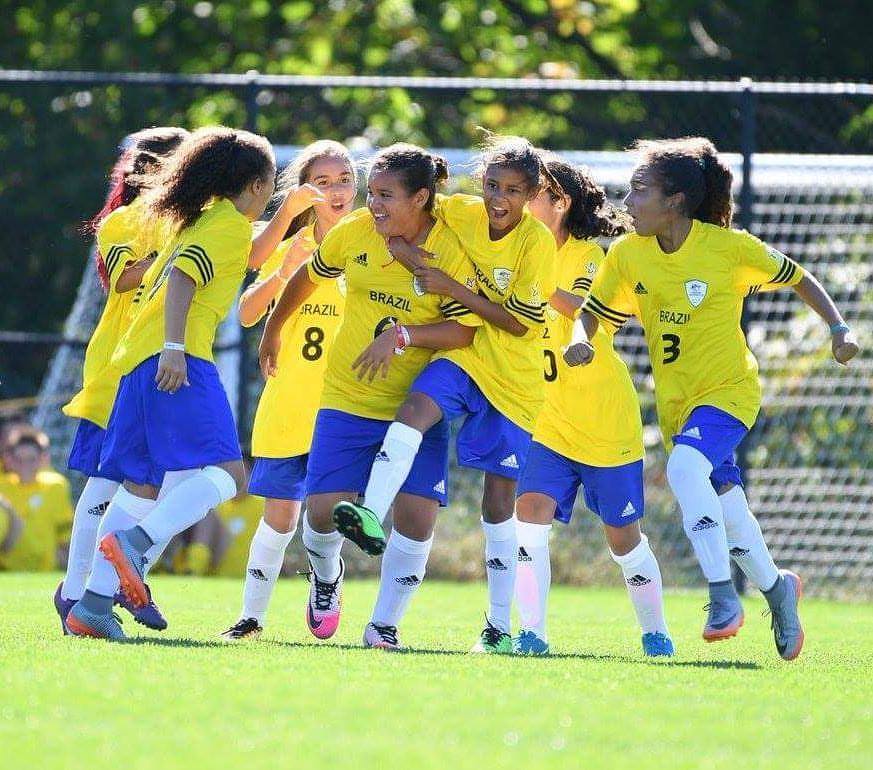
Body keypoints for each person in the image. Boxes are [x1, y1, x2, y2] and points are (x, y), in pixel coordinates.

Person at [565, 136, 860, 661]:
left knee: (682, 471)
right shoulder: (629, 255)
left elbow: (799, 277)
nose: (628, 202)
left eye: (639, 191)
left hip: (730, 394)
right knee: (729, 511)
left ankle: (722, 596)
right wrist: (580, 339)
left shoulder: (728, 248)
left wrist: (838, 328)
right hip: (677, 405)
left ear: (674, 201)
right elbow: (594, 310)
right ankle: (777, 589)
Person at [331, 134, 557, 653]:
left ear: (532, 194)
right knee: (413, 409)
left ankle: (500, 626)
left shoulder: (535, 244)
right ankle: (371, 510)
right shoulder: (460, 212)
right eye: (492, 185)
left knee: (499, 502)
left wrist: (451, 288)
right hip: (463, 357)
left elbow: (518, 326)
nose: (499, 199)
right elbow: (405, 218)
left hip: (514, 380)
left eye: (514, 191)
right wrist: (406, 253)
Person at [258, 143, 479, 649]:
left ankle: (383, 625)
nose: (372, 205)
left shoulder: (452, 250)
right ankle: (326, 579)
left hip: (415, 407)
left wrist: (404, 335)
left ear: (421, 198)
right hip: (347, 399)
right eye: (371, 193)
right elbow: (306, 277)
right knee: (319, 516)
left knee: (418, 518)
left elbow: (465, 331)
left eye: (385, 195)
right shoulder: (355, 233)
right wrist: (274, 330)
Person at [65, 126, 276, 639]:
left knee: (140, 485)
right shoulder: (225, 225)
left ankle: (90, 606)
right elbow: (183, 278)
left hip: (136, 360)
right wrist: (177, 349)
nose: (271, 195)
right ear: (252, 185)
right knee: (231, 475)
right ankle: (137, 544)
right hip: (175, 360)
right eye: (270, 184)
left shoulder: (200, 219)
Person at [513, 156, 673, 657]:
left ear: (558, 203)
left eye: (529, 192)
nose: (515, 201)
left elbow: (580, 310)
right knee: (528, 517)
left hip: (604, 419)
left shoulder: (586, 255)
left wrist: (530, 283)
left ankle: (655, 630)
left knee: (622, 536)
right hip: (547, 421)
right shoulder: (516, 248)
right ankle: (530, 632)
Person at [220, 140, 356, 641]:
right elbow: (248, 313)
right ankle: (251, 616)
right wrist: (282, 270)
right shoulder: (287, 242)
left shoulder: (371, 245)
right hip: (286, 403)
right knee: (278, 517)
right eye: (323, 182)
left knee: (325, 517)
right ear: (302, 190)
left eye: (344, 179)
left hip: (342, 408)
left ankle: (326, 579)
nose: (336, 191)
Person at [55, 127, 190, 633]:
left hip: (163, 370)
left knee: (163, 486)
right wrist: (175, 258)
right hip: (118, 369)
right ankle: (73, 594)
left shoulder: (189, 220)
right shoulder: (121, 223)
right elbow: (122, 278)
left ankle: (121, 586)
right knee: (106, 485)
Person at [0, 428, 73, 581]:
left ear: (42, 458)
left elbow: (65, 532)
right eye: (19, 459)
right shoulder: (3, 486)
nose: (25, 465)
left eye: (31, 459)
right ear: (9, 459)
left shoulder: (55, 485)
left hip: (46, 571)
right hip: (7, 571)